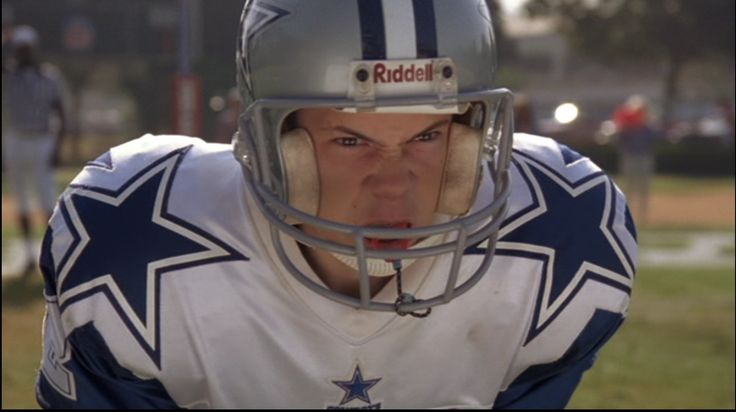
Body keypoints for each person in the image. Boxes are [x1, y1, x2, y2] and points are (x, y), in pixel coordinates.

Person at [36, 1, 637, 408]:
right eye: (351, 140)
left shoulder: (563, 238)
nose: (394, 188)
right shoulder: (139, 241)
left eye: (429, 137)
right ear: (272, 145)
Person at [2, 25, 66, 276]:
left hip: (41, 141)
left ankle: (54, 254)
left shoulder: (49, 77)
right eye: (19, 48)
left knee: (47, 200)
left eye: (26, 48)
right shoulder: (9, 75)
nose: (23, 53)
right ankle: (30, 254)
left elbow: (61, 112)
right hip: (16, 139)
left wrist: (58, 146)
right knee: (21, 201)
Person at [612, 94, 657, 223]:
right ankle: (626, 213)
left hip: (644, 157)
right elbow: (619, 141)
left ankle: (643, 214)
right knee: (628, 186)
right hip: (630, 157)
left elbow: (653, 139)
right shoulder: (627, 128)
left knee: (643, 187)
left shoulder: (647, 127)